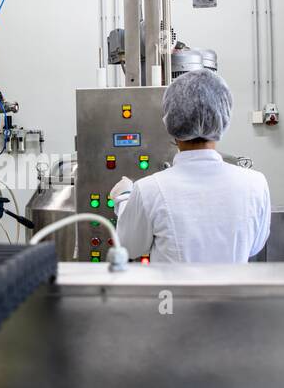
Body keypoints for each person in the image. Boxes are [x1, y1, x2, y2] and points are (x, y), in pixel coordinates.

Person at [110, 68, 270, 263]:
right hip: (232, 293)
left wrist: (124, 198)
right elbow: (254, 246)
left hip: (172, 294)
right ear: (222, 118)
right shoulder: (255, 183)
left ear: (171, 122)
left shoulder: (149, 189)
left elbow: (129, 246)